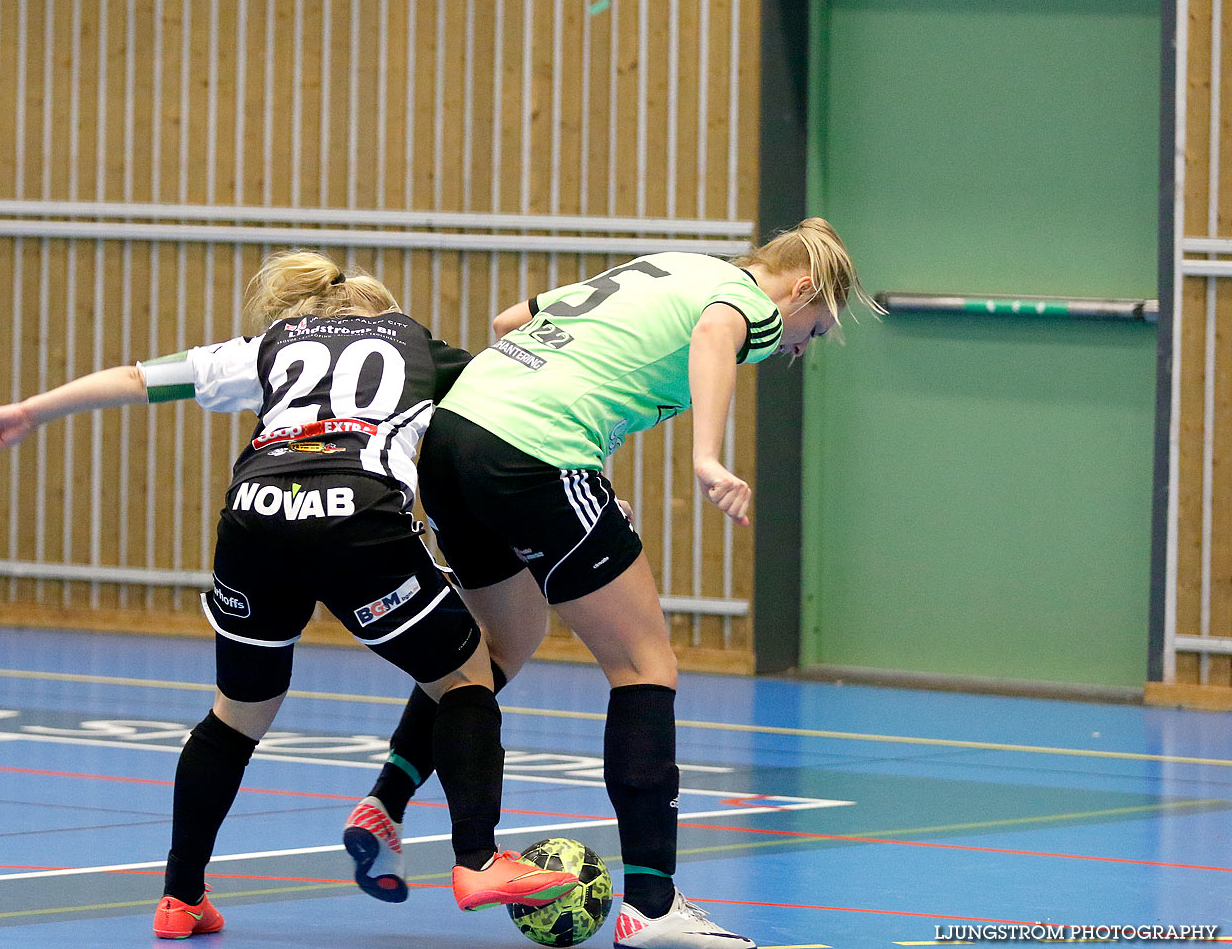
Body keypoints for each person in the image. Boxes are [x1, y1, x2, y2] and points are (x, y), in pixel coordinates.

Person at [0, 250, 579, 940]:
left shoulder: (271, 344)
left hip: (252, 520)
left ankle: (180, 896)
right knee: (463, 677)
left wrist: (30, 410)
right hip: (356, 512)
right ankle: (477, 859)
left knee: (236, 716)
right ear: (380, 308)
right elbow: (515, 416)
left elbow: (140, 379)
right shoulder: (414, 341)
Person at [341, 218, 880, 949]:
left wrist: (561, 463)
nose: (800, 346)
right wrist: (707, 459)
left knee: (502, 641)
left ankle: (387, 801)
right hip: (534, 451)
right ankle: (652, 907)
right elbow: (718, 335)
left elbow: (512, 321)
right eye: (814, 330)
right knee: (645, 665)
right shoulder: (745, 298)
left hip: (457, 436)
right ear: (804, 288)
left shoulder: (673, 266)